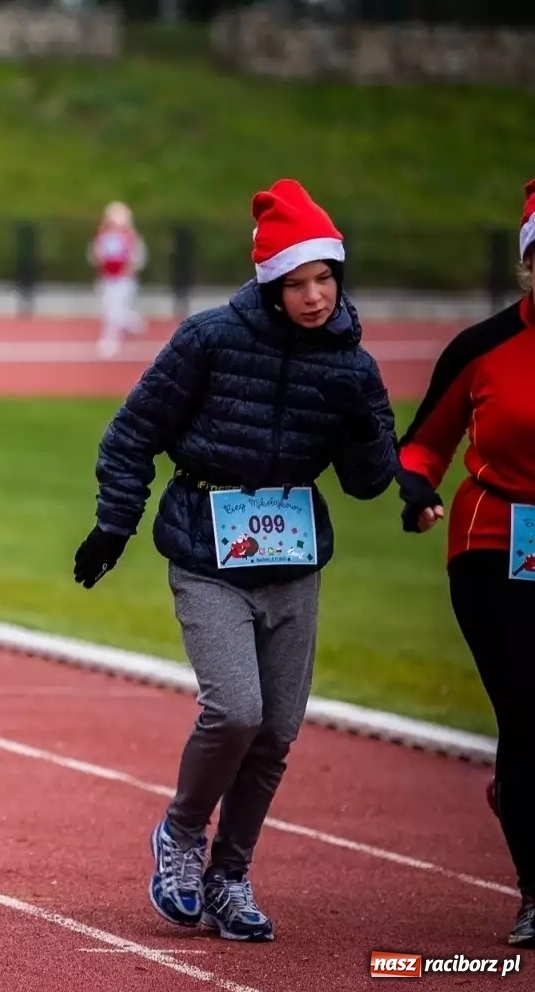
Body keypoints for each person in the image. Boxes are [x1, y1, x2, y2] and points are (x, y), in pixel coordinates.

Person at [72, 178, 396, 943]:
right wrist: (113, 527)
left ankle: (230, 873)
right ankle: (181, 838)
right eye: (298, 282)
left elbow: (368, 480)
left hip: (293, 557)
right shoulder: (208, 339)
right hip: (206, 546)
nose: (315, 296)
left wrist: (363, 421)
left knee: (278, 732)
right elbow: (132, 432)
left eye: (326, 279)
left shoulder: (351, 363)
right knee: (236, 711)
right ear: (270, 281)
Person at [392, 177, 535, 948]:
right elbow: (425, 441)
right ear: (527, 266)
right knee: (528, 711)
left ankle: (516, 790)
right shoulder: (481, 349)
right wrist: (415, 486)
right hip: (495, 543)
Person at [89, 201, 148, 358]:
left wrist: (128, 271)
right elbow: (96, 256)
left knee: (113, 311)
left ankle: (109, 342)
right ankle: (132, 322)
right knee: (108, 309)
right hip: (106, 279)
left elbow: (137, 258)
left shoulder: (131, 237)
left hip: (123, 280)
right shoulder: (102, 236)